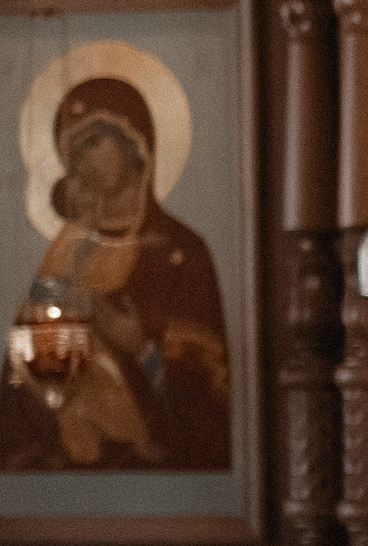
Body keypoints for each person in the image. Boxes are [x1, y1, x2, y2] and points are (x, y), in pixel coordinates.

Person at [2, 77, 229, 472]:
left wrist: (140, 347)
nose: (79, 161)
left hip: (156, 471)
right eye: (71, 153)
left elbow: (209, 396)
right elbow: (18, 387)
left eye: (93, 142)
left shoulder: (182, 252)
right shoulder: (65, 252)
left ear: (135, 143)